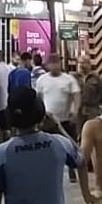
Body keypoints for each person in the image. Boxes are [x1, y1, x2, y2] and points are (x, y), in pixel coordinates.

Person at [35, 54, 82, 183]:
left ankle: (72, 170)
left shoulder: (69, 79)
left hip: (65, 119)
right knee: (46, 147)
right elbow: (38, 98)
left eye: (57, 62)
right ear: (48, 65)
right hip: (48, 120)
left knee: (70, 146)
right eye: (52, 63)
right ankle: (46, 170)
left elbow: (76, 95)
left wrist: (75, 110)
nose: (55, 65)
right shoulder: (42, 80)